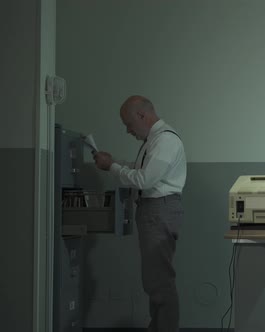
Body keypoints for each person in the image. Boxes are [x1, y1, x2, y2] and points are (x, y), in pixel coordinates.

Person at [94, 95, 186, 332]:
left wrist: (112, 168)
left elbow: (145, 179)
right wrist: (114, 162)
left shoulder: (165, 140)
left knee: (159, 282)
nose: (128, 131)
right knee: (155, 279)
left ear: (142, 115)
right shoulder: (153, 140)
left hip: (158, 210)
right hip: (155, 211)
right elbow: (141, 170)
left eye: (129, 124)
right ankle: (158, 326)